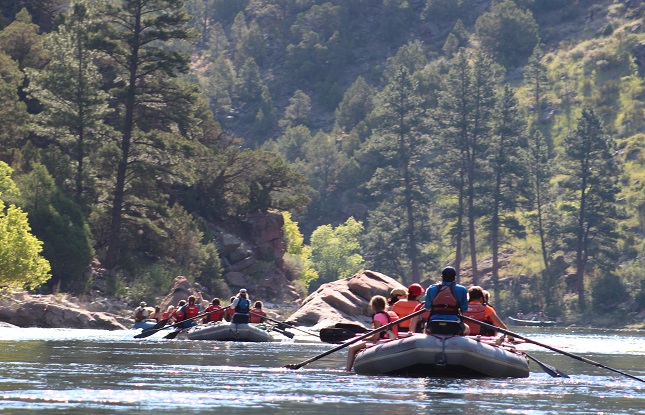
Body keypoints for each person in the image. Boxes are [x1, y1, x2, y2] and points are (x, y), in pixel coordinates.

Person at [345, 295, 399, 371]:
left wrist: (364, 338)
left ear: (373, 306)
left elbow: (376, 337)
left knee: (352, 348)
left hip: (382, 340)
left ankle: (347, 370)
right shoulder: (388, 314)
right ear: (384, 305)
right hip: (389, 339)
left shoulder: (377, 316)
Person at [423, 266, 469, 335]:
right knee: (467, 328)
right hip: (454, 324)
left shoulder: (431, 288)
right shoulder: (462, 289)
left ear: (442, 277)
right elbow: (464, 309)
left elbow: (427, 307)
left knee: (426, 327)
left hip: (434, 324)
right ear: (454, 278)